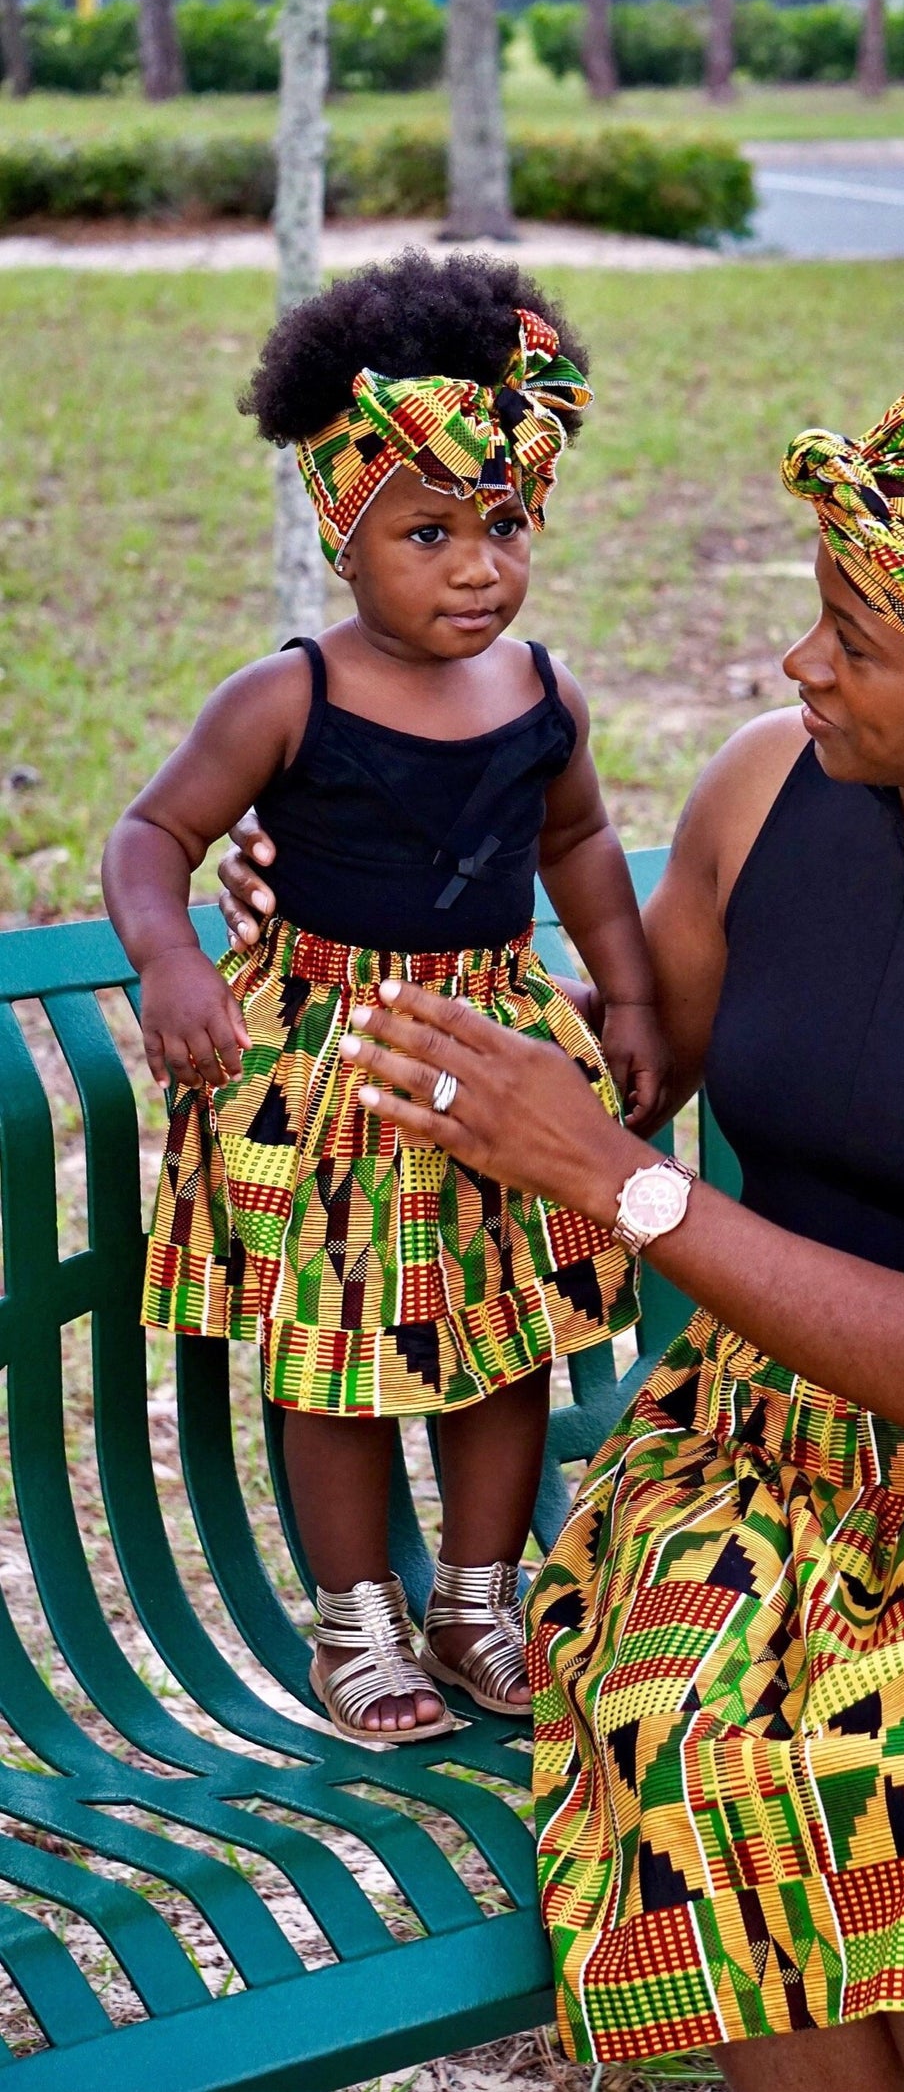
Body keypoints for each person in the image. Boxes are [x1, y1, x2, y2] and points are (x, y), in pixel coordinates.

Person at [220, 355, 904, 2090]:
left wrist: (617, 1185)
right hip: (751, 1437)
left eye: (855, 641)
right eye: (815, 616)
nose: (800, 665)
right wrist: (337, 903)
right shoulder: (768, 785)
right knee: (689, 1738)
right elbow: (618, 1078)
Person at [103, 253, 665, 1748]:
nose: (477, 569)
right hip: (330, 1076)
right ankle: (355, 1618)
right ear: (343, 537)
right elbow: (154, 834)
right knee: (334, 1365)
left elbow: (579, 844)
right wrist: (170, 959)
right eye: (429, 533)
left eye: (505, 526)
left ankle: (479, 1602)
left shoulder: (541, 692)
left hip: (490, 1063)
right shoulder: (286, 698)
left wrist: (626, 996)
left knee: (500, 1342)